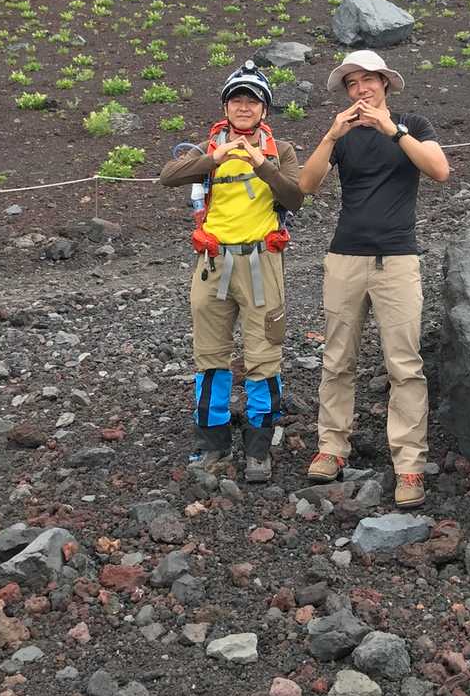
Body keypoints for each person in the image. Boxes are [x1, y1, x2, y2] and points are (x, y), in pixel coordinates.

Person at [298, 49, 450, 509]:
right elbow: (306, 185)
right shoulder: (342, 134)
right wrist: (331, 134)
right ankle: (332, 448)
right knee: (336, 359)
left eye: (368, 79)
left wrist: (392, 130)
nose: (360, 89)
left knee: (404, 364)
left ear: (385, 82)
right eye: (352, 83)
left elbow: (439, 170)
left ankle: (409, 466)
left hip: (397, 259)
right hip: (344, 257)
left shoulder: (413, 124)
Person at [160, 61, 303, 482]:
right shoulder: (207, 148)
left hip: (262, 264)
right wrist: (213, 158)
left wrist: (261, 164)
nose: (244, 106)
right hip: (213, 264)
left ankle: (259, 448)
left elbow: (295, 197)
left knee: (264, 355)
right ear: (225, 106)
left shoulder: (281, 151)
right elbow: (167, 177)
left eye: (252, 100)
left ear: (265, 109)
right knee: (210, 354)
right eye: (236, 99)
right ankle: (212, 442)